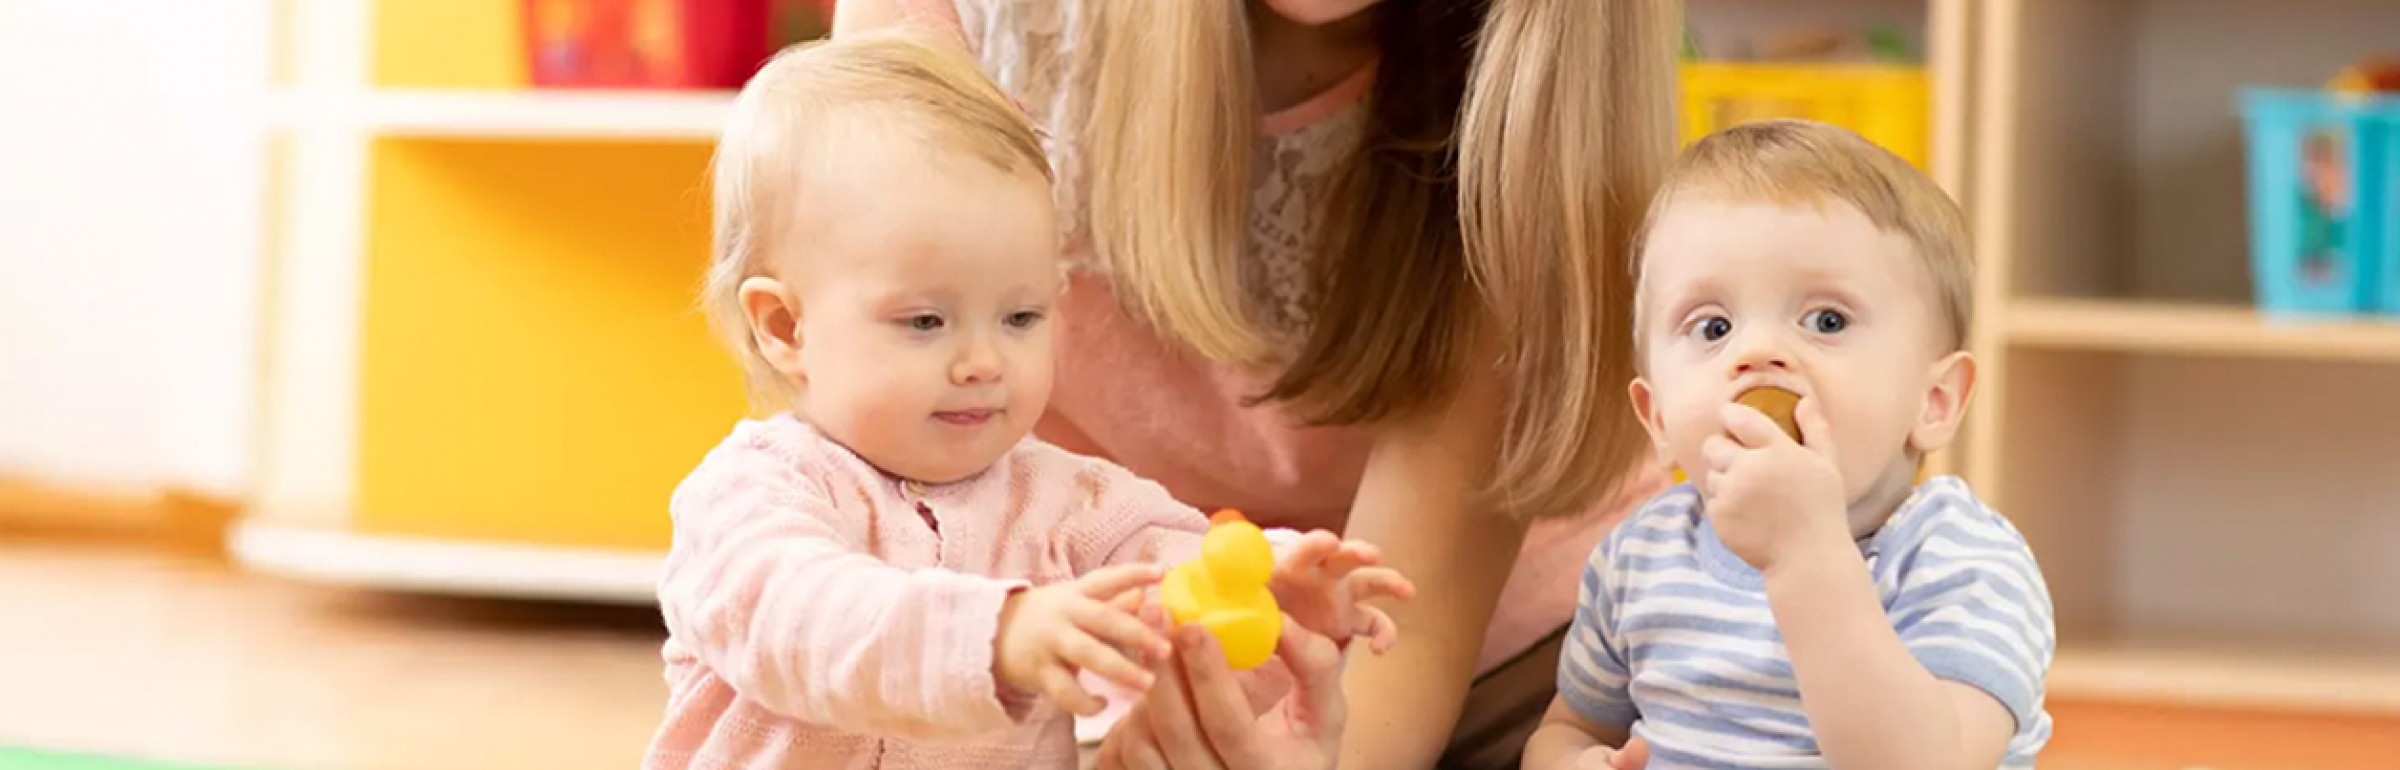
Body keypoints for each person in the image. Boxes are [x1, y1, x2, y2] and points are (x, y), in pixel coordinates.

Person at [828, 1, 1683, 767]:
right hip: (1077, 633)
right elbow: (867, 472)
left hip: (1511, 663)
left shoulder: (1526, 79)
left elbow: (1409, 632)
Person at [645, 32, 1413, 769]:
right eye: (924, 321)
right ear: (787, 326)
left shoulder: (1070, 498)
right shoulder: (748, 498)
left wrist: (1265, 598)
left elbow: (1164, 580)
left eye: (1021, 318)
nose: (985, 361)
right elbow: (808, 623)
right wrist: (997, 635)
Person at [1524, 119, 2056, 769]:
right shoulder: (1641, 556)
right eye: (1712, 326)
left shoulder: (1962, 562)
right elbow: (1570, 727)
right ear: (1658, 418)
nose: (1758, 353)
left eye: (1825, 320)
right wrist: (1569, 761)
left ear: (1934, 401)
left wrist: (1807, 553)